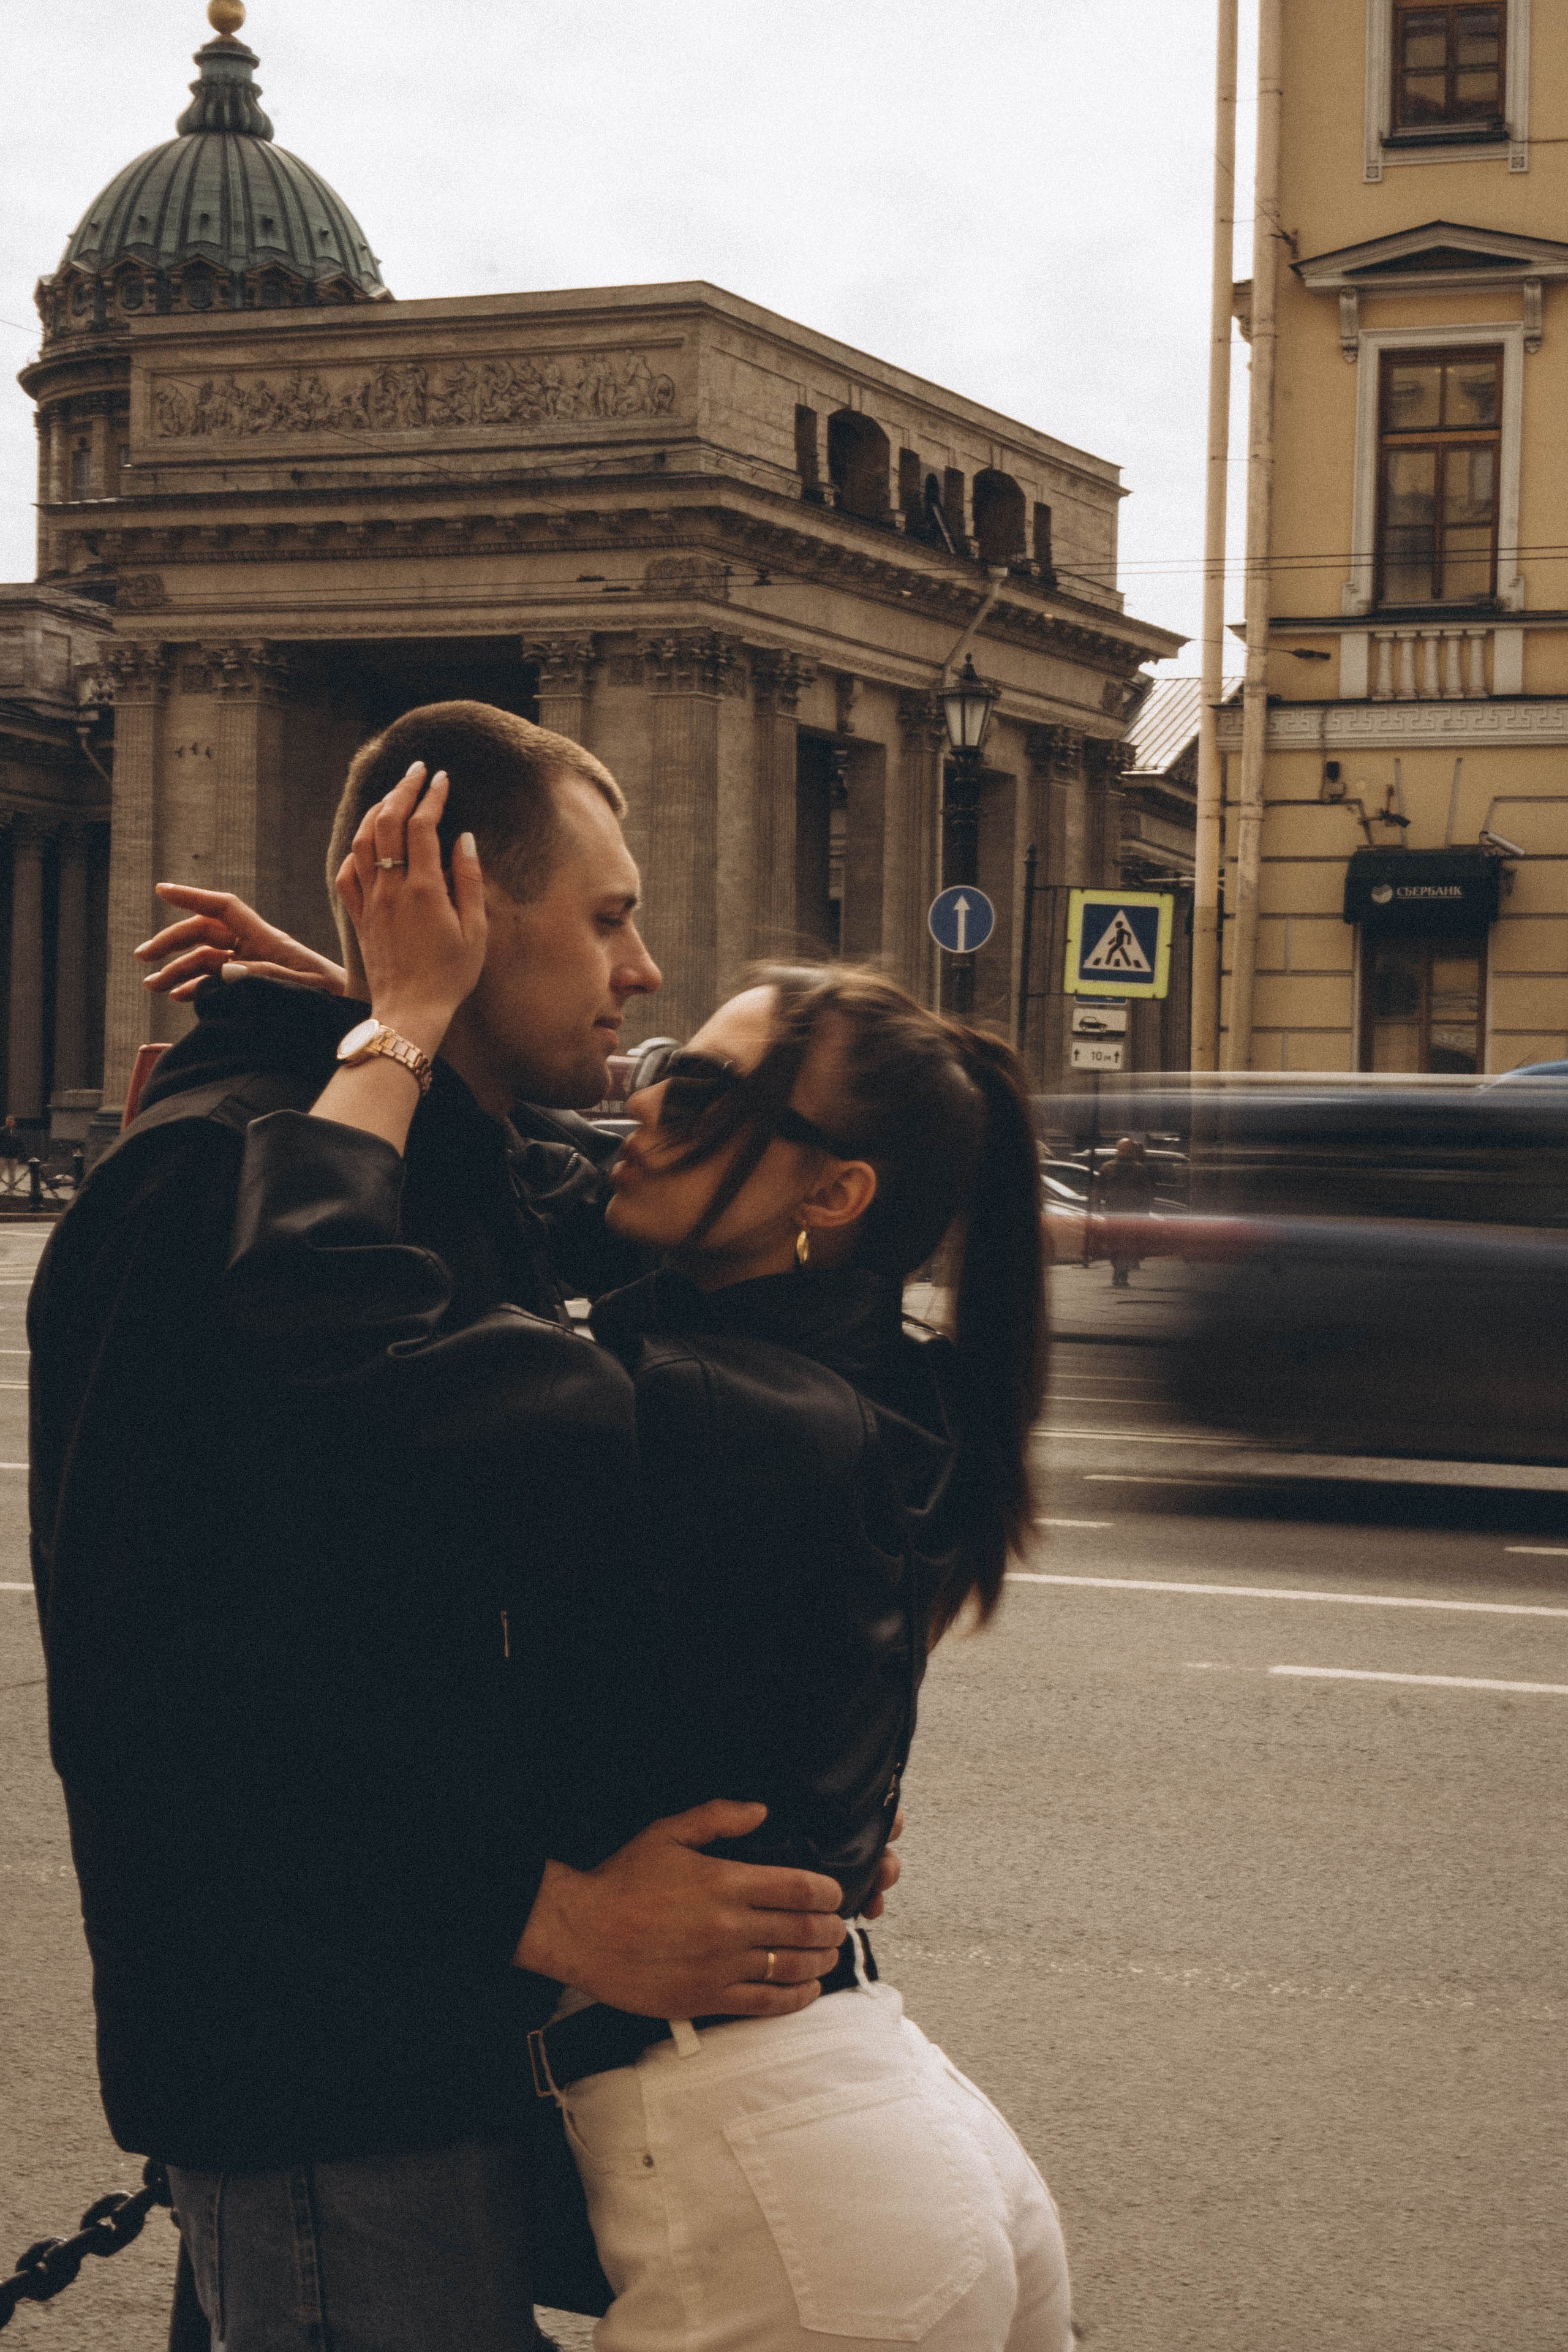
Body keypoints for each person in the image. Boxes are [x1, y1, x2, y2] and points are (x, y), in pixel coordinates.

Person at [29, 709, 872, 2352]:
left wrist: (358, 1008)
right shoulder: (208, 1184)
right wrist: (542, 1914)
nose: (642, 969)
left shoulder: (401, 1162)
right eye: (610, 917)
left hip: (426, 2032)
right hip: (325, 2067)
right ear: (469, 907)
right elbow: (160, 1695)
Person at [216, 771, 1074, 2351]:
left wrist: (393, 1028)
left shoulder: (725, 1412)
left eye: (703, 1094)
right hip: (865, 2127)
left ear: (833, 1194)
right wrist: (382, 1007)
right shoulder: (859, 1370)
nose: (646, 1103)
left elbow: (319, 1299)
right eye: (668, 1069)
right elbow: (545, 1174)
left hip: (780, 2187)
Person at [1092, 1133, 1156, 1287]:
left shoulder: (1139, 1169)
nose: (1124, 1153)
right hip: (1113, 1212)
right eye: (1122, 1150)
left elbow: (1147, 1193)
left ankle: (1122, 1272)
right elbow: (1098, 1190)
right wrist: (1097, 1207)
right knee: (1114, 1243)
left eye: (1127, 1150)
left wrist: (1144, 1211)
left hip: (1131, 1213)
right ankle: (1118, 1269)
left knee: (1127, 1244)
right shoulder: (1107, 1168)